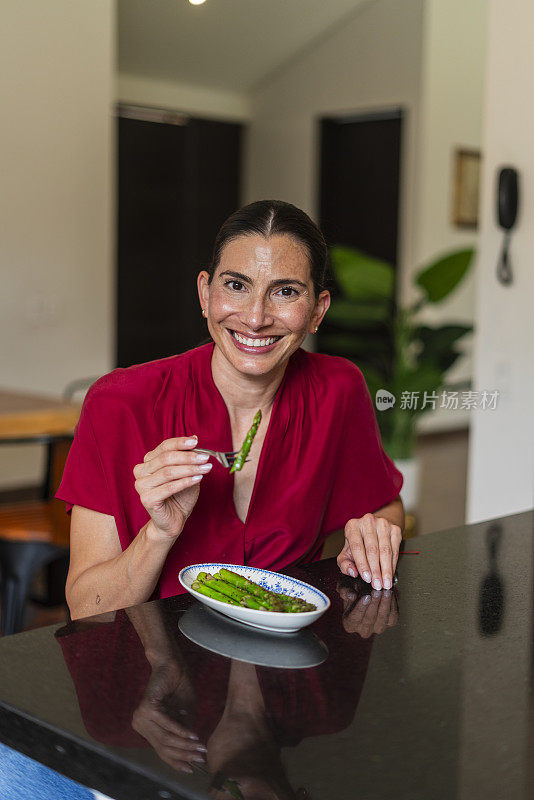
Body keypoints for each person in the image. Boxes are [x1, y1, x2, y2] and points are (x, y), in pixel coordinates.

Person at [57, 200, 404, 621]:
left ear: (317, 310)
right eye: (236, 286)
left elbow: (383, 506)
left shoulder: (339, 388)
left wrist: (370, 534)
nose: (255, 318)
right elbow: (85, 608)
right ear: (205, 293)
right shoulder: (118, 403)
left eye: (286, 291)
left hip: (291, 664)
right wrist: (160, 533)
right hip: (156, 665)